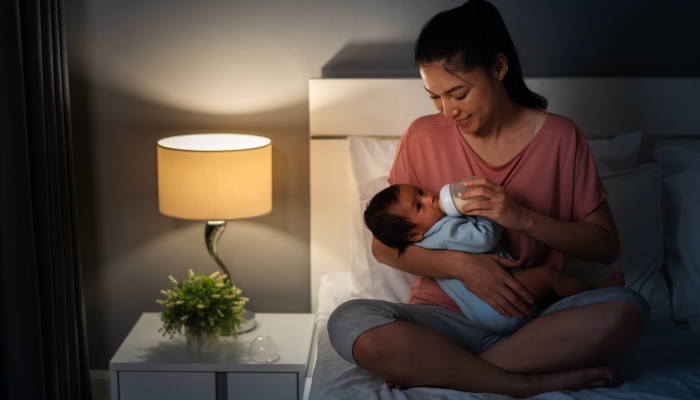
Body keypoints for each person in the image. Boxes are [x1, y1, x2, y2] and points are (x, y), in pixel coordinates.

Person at [327, 0, 650, 397]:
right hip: (439, 321)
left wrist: (522, 218)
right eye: (434, 97)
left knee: (628, 310)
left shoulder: (561, 139)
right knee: (347, 321)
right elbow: (383, 245)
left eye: (458, 93)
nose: (447, 111)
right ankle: (521, 381)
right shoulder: (422, 137)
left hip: (532, 320)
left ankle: (447, 369)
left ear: (498, 68)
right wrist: (460, 265)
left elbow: (605, 245)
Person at [363, 183, 626, 334]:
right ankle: (595, 292)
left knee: (544, 291)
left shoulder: (428, 241)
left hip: (484, 314)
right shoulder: (445, 231)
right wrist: (488, 211)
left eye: (420, 191)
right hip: (498, 305)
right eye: (420, 205)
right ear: (412, 235)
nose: (430, 197)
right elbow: (484, 239)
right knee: (549, 275)